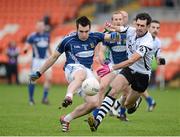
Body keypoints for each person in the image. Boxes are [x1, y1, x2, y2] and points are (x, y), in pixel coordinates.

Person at [29, 16, 121, 132]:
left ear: (90, 29)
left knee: (94, 103)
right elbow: (53, 57)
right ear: (76, 29)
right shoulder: (67, 40)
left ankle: (66, 119)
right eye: (81, 31)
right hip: (72, 68)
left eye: (86, 31)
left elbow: (116, 38)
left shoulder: (95, 36)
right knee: (81, 73)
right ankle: (69, 96)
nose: (84, 34)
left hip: (88, 72)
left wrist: (115, 31)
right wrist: (39, 72)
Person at [87, 12, 155, 132]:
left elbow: (131, 60)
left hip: (142, 75)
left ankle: (135, 102)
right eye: (138, 24)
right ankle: (97, 121)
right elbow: (120, 28)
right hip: (129, 70)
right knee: (113, 91)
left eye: (142, 26)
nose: (139, 28)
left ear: (148, 27)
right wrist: (112, 27)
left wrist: (112, 67)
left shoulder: (148, 42)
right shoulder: (131, 31)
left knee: (128, 104)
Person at [92, 10, 129, 121]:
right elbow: (102, 51)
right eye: (116, 19)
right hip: (113, 66)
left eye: (120, 19)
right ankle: (95, 116)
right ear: (112, 21)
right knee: (102, 87)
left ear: (123, 20)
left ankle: (122, 113)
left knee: (126, 93)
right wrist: (102, 58)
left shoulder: (129, 33)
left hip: (127, 66)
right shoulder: (108, 35)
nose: (118, 21)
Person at [23, 20, 52, 105]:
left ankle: (44, 98)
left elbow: (48, 47)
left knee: (49, 79)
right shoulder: (32, 36)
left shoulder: (47, 36)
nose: (40, 27)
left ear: (44, 27)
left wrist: (52, 56)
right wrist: (25, 49)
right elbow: (27, 45)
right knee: (33, 79)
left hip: (46, 60)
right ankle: (31, 99)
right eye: (38, 26)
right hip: (36, 60)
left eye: (41, 26)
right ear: (36, 27)